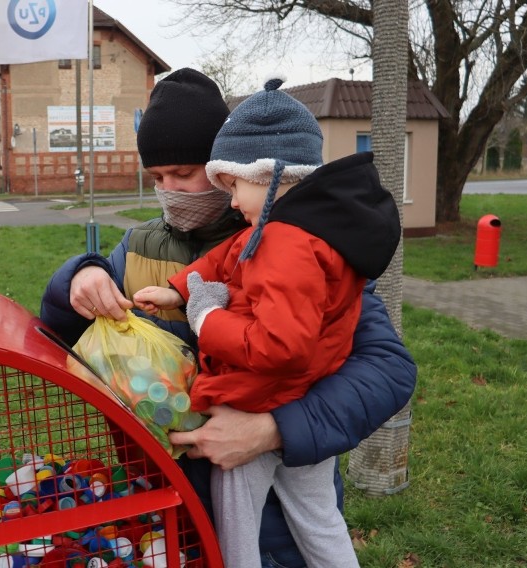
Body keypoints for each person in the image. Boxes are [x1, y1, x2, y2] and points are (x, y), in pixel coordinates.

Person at [40, 68, 416, 567]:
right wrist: (78, 278)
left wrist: (273, 430)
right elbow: (64, 332)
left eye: (184, 173)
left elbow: (387, 369)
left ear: (230, 168)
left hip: (277, 529)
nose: (170, 190)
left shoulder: (305, 249)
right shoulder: (137, 248)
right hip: (170, 509)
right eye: (157, 178)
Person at [132, 77, 400, 567]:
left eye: (228, 183)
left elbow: (285, 346)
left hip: (261, 399)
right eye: (156, 178)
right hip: (300, 404)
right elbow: (225, 258)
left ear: (271, 175)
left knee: (237, 529)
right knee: (320, 519)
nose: (230, 200)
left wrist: (205, 316)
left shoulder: (283, 243)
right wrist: (171, 287)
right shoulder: (290, 230)